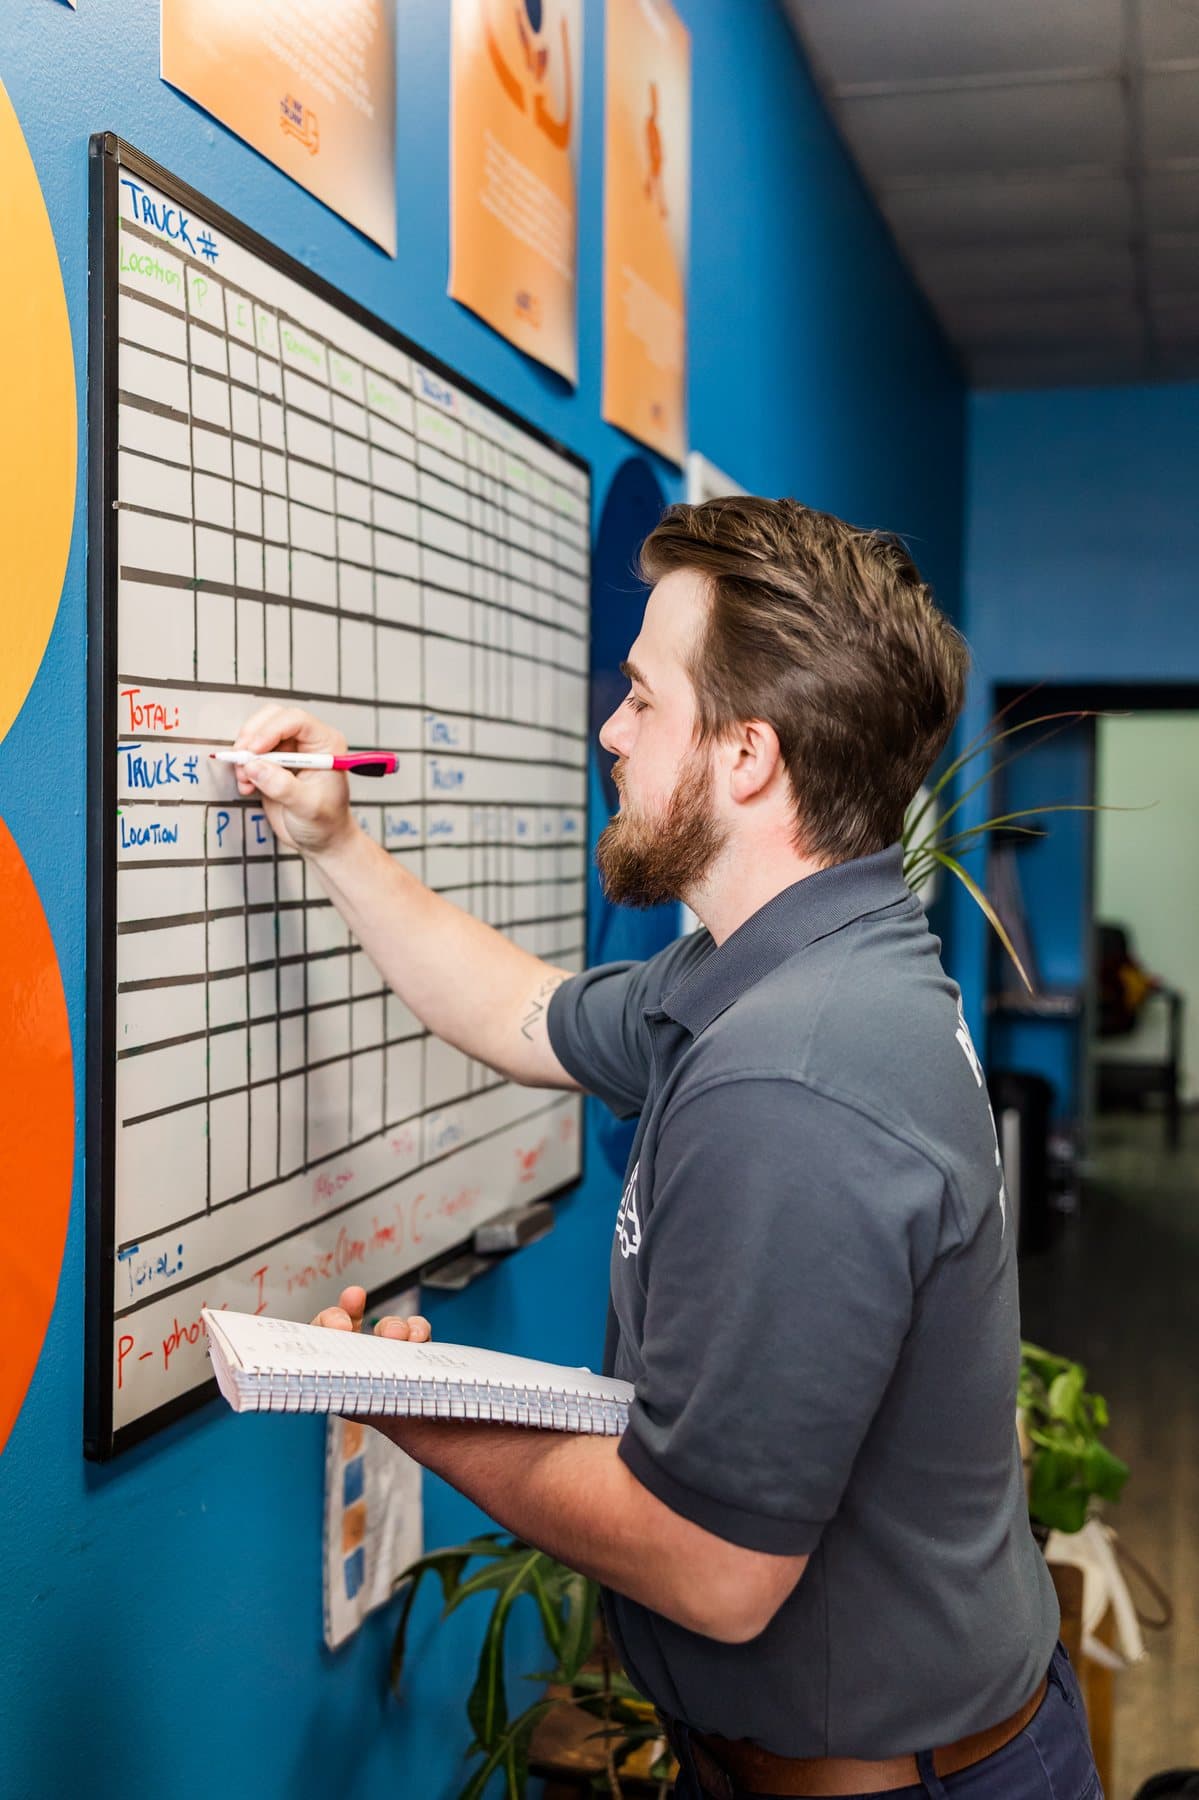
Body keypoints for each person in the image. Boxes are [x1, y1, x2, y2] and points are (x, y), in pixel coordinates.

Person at [234, 498, 1102, 1799]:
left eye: (642, 699)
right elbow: (523, 1013)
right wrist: (337, 841)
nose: (610, 730)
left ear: (747, 755)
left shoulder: (794, 1081)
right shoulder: (787, 967)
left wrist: (390, 1392)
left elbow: (714, 1569)